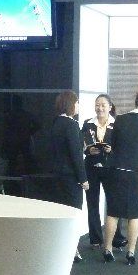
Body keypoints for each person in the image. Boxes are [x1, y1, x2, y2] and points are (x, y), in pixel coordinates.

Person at [102, 88, 138, 266]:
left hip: (117, 170)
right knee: (134, 215)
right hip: (136, 172)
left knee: (113, 212)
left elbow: (114, 145)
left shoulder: (120, 119)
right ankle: (130, 252)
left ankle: (107, 249)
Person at [81, 94, 126, 250]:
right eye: (97, 105)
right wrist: (88, 150)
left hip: (110, 168)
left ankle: (116, 238)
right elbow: (82, 144)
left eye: (103, 105)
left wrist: (111, 150)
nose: (99, 108)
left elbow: (122, 147)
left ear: (110, 107)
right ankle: (95, 238)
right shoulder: (87, 123)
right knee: (92, 203)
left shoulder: (117, 124)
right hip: (91, 167)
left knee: (114, 203)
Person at [50, 90, 89, 263]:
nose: (78, 105)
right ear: (70, 104)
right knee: (74, 213)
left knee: (62, 212)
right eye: (77, 102)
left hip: (58, 175)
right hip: (71, 177)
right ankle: (72, 250)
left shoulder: (56, 123)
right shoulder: (71, 125)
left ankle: (62, 248)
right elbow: (76, 155)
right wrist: (83, 179)